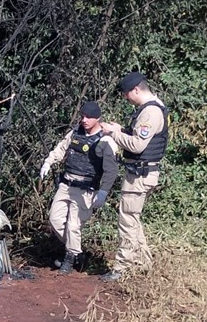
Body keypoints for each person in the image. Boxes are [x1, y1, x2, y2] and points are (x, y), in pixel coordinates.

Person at [99, 71, 169, 282]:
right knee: (133, 219)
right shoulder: (153, 108)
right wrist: (120, 128)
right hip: (143, 173)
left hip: (139, 175)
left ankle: (121, 268)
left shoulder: (150, 113)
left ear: (136, 90)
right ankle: (143, 264)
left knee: (127, 220)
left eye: (126, 94)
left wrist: (113, 134)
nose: (125, 98)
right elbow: (137, 134)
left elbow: (138, 145)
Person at [40, 101, 119, 274]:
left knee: (73, 225)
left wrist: (103, 192)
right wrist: (48, 162)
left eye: (89, 117)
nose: (84, 120)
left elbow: (111, 170)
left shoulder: (106, 141)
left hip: (86, 189)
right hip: (66, 184)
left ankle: (70, 258)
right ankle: (78, 253)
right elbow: (61, 148)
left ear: (98, 118)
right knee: (55, 219)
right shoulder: (75, 132)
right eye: (82, 116)